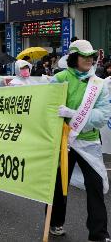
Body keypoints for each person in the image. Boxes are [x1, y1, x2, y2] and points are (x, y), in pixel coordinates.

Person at [49, 40, 111, 241]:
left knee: (95, 186)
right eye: (84, 56)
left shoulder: (98, 84)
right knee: (59, 185)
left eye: (91, 56)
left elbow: (102, 116)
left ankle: (98, 233)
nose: (89, 60)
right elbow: (47, 109)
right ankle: (55, 222)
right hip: (64, 141)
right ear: (74, 58)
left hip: (88, 142)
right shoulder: (59, 78)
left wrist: (73, 113)